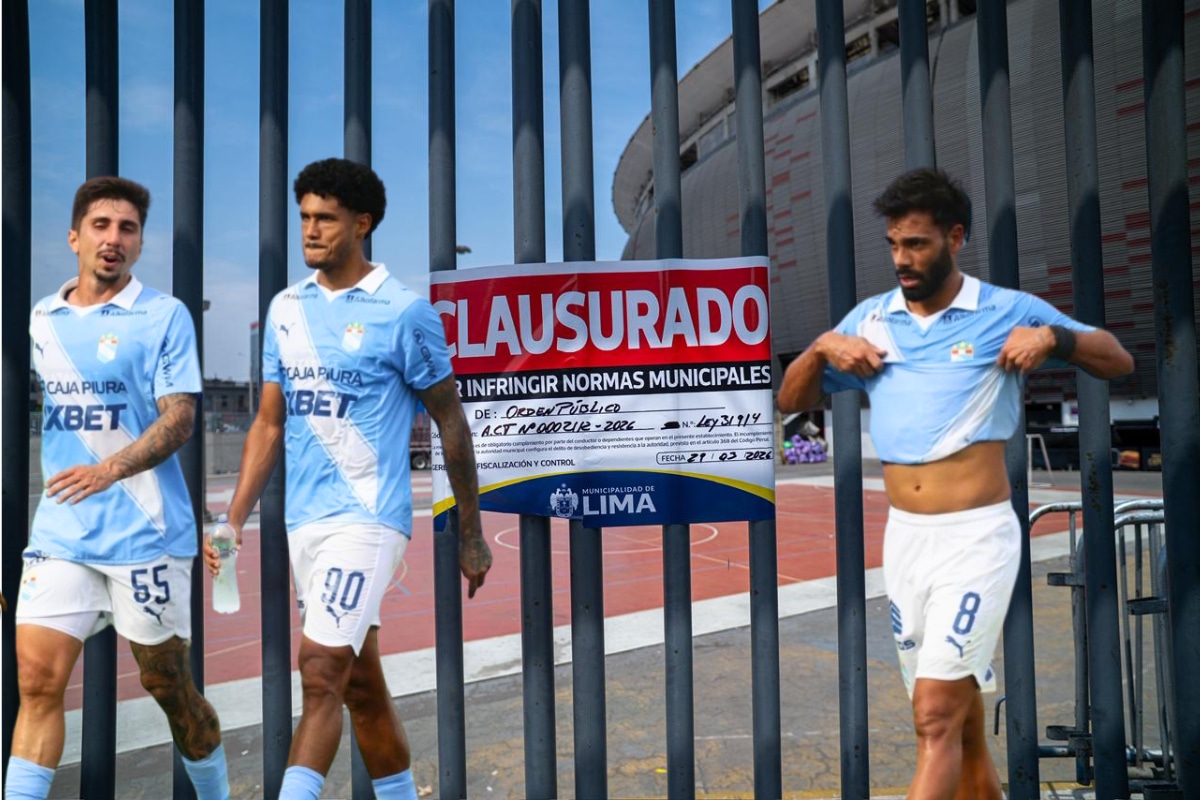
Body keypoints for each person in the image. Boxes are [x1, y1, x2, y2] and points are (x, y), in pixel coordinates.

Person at [777, 168, 1133, 799]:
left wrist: (1056, 337)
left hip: (976, 540)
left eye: (915, 244)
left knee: (933, 716)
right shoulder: (872, 319)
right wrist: (821, 349)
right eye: (893, 244)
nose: (901, 259)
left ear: (955, 237)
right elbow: (790, 399)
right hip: (907, 542)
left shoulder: (1004, 310)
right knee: (963, 728)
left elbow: (1117, 359)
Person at [204, 158, 492, 800]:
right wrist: (231, 521)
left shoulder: (404, 313)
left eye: (325, 218)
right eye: (304, 216)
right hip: (304, 523)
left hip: (369, 519)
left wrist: (471, 534)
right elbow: (268, 427)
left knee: (319, 671)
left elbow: (452, 426)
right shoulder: (285, 309)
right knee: (361, 687)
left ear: (361, 225)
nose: (310, 229)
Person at [10, 177, 228, 800]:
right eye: (101, 226)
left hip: (146, 536)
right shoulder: (43, 320)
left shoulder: (162, 315)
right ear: (75, 236)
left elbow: (180, 415)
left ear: (138, 242)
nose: (113, 239)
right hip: (62, 533)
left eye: (127, 228)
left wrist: (108, 472)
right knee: (36, 682)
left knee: (168, 688)